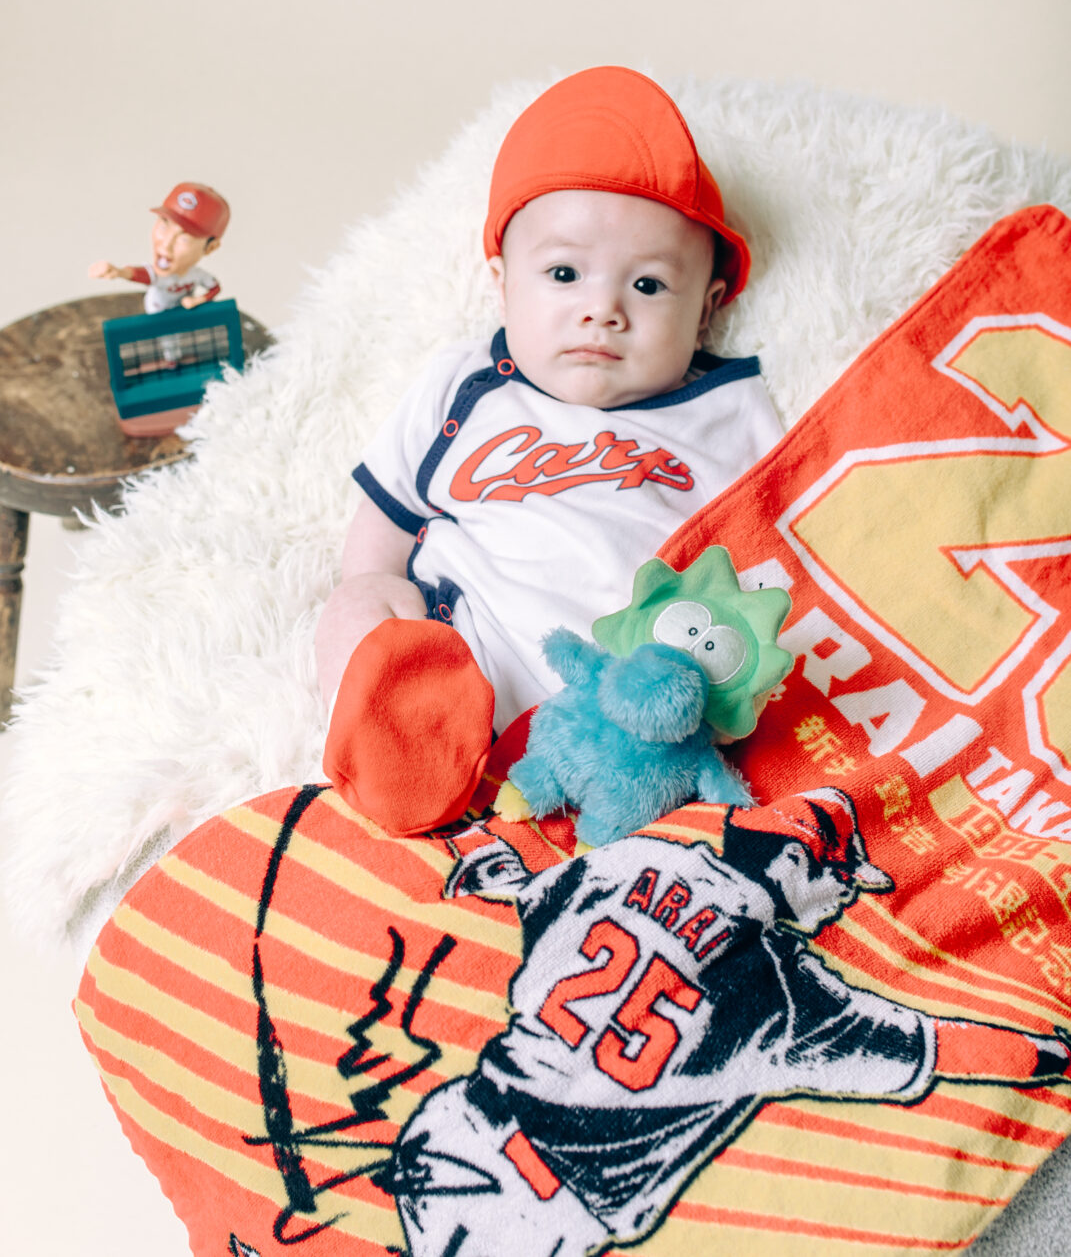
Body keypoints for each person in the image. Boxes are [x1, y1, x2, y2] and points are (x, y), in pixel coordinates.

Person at [316, 67, 784, 834]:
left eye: (648, 286)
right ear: (502, 285)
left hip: (625, 707)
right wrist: (372, 587)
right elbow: (386, 513)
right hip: (457, 653)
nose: (602, 309)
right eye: (563, 274)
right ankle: (399, 750)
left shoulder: (728, 414)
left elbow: (777, 546)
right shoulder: (467, 383)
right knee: (358, 604)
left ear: (706, 308)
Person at [387, 790, 1071, 1257]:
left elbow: (517, 892)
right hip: (536, 1205)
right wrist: (1053, 1054)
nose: (843, 894)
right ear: (795, 861)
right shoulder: (790, 992)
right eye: (840, 874)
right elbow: (946, 1047)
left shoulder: (637, 856)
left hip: (451, 1123)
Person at [88, 181, 229, 311]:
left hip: (181, 317)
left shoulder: (196, 275)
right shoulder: (159, 277)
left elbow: (215, 288)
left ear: (211, 247)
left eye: (184, 238)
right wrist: (119, 272)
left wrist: (198, 300)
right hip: (156, 317)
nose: (166, 244)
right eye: (163, 227)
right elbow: (141, 274)